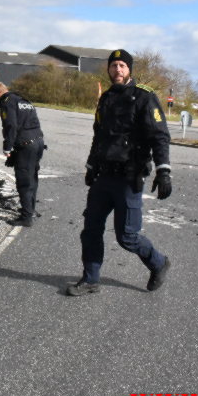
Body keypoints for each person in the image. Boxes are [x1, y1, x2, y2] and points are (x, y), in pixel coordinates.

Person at [67, 49, 173, 296]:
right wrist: (91, 167)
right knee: (91, 229)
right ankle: (90, 279)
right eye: (114, 65)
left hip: (129, 177)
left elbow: (159, 136)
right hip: (103, 177)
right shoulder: (105, 99)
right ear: (108, 69)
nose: (117, 70)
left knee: (127, 237)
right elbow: (99, 137)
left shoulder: (144, 97)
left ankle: (159, 263)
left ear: (129, 70)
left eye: (122, 66)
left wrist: (164, 171)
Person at [0, 82, 45, 227]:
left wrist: (7, 148)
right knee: (32, 178)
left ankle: (26, 218)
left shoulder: (7, 103)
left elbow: (11, 126)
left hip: (26, 145)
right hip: (38, 142)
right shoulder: (23, 100)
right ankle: (30, 209)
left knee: (24, 182)